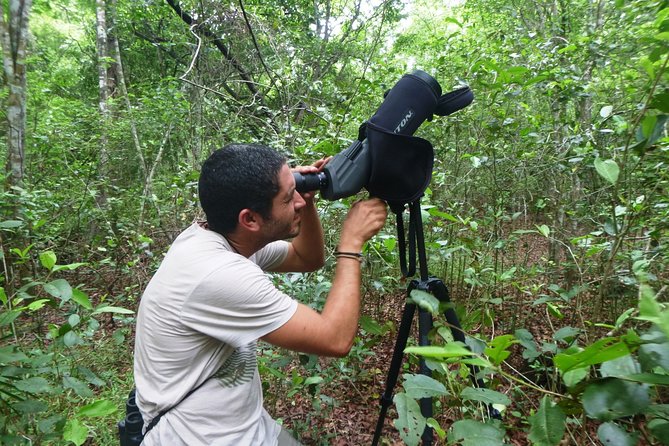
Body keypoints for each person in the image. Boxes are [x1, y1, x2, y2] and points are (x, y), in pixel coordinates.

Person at [133, 143, 387, 445]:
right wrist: (351, 244)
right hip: (198, 438)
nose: (299, 203)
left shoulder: (218, 237)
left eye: (295, 188)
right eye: (287, 198)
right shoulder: (219, 274)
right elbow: (335, 338)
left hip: (246, 426)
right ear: (250, 220)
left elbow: (307, 258)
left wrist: (305, 197)